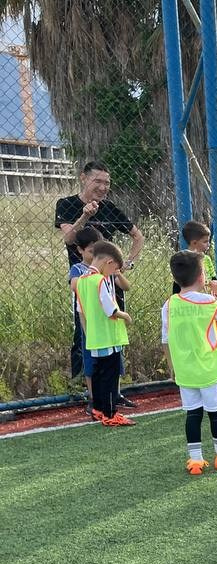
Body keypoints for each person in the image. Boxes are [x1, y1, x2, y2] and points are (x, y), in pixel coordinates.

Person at [56, 160, 143, 403]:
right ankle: (91, 394)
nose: (103, 187)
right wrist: (85, 216)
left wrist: (126, 263)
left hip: (110, 286)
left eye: (107, 182)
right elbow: (69, 237)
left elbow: (138, 236)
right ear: (83, 178)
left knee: (115, 337)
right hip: (87, 289)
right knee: (86, 339)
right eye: (98, 181)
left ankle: (114, 393)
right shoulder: (67, 204)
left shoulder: (111, 207)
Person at [162, 251, 217, 474]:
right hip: (210, 369)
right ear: (201, 277)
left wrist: (172, 367)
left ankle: (196, 460)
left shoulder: (169, 304)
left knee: (193, 414)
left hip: (185, 371)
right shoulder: (209, 301)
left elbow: (165, 339)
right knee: (215, 413)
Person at [72, 240, 134, 427]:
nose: (113, 273)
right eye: (114, 268)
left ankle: (98, 409)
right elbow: (110, 310)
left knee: (98, 373)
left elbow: (80, 311)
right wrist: (126, 316)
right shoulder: (100, 280)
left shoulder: (81, 281)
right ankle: (110, 413)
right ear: (108, 262)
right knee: (110, 374)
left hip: (94, 336)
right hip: (109, 336)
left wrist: (88, 333)